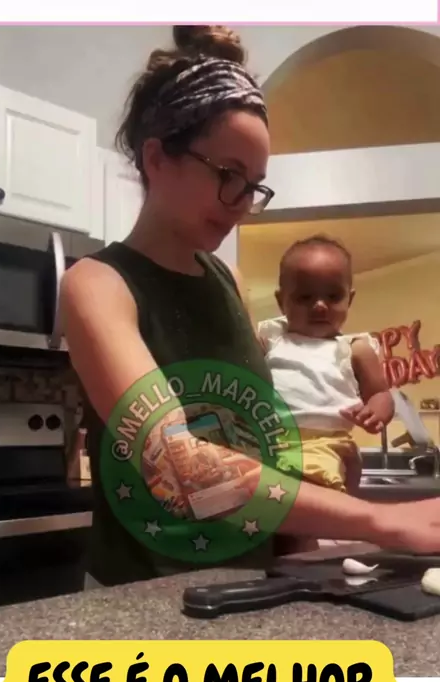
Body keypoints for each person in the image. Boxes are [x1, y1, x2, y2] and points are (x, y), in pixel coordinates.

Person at [61, 25, 440, 588]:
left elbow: (258, 437)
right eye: (227, 176)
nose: (241, 203)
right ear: (157, 157)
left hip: (249, 579)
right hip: (146, 588)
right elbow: (177, 465)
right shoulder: (97, 284)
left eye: (254, 184)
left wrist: (306, 543)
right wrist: (383, 521)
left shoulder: (228, 280)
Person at [259, 235, 394, 494]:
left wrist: (376, 412)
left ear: (349, 300)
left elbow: (380, 392)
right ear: (281, 301)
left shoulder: (355, 348)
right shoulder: (271, 340)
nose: (320, 306)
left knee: (311, 486)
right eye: (304, 297)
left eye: (333, 296)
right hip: (270, 439)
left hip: (326, 443)